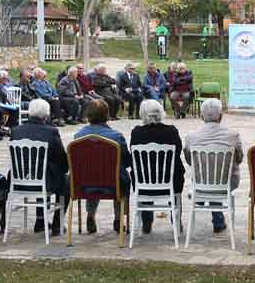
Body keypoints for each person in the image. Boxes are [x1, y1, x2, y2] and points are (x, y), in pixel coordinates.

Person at [184, 97, 244, 235]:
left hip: (201, 182)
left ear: (201, 116)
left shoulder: (191, 137)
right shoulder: (233, 136)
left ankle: (200, 198)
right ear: (221, 116)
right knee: (217, 177)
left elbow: (189, 161)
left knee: (208, 178)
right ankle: (218, 221)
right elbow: (239, 159)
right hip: (227, 183)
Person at [73, 99, 132, 234]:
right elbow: (127, 161)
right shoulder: (116, 136)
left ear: (88, 115)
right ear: (107, 115)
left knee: (91, 172)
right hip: (112, 184)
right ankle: (118, 219)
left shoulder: (78, 136)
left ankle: (90, 215)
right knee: (121, 177)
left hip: (85, 184)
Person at [11, 98, 68, 235]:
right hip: (44, 180)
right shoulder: (51, 131)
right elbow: (61, 158)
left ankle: (40, 220)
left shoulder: (16, 130)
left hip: (20, 180)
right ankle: (57, 223)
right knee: (65, 182)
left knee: (42, 171)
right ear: (46, 115)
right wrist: (64, 168)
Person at [129, 99, 186, 235]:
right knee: (175, 171)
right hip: (170, 183)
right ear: (161, 113)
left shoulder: (136, 132)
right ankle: (176, 222)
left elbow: (133, 154)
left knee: (146, 172)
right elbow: (177, 152)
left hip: (143, 183)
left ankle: (147, 222)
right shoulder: (171, 131)